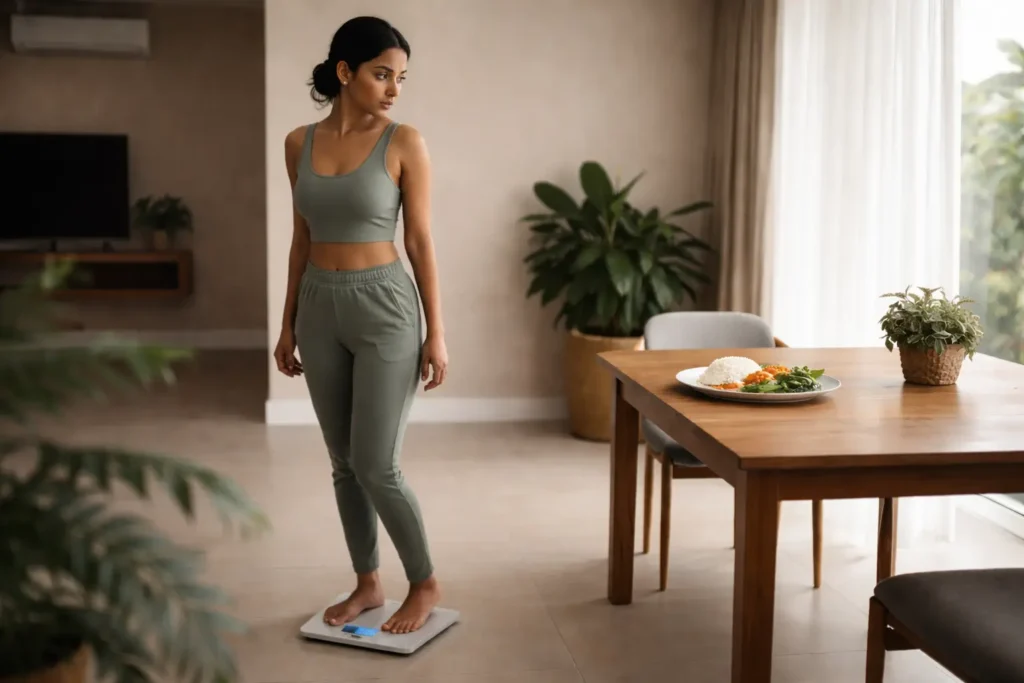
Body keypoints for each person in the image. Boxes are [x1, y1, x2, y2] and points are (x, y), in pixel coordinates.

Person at [273, 16, 446, 635]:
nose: (394, 88)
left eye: (401, 77)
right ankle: (368, 583)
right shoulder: (298, 143)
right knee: (343, 462)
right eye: (382, 74)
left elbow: (420, 241)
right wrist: (287, 322)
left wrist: (438, 332)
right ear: (345, 73)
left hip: (386, 309)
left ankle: (423, 582)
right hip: (319, 305)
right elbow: (300, 239)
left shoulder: (405, 141)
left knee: (378, 464)